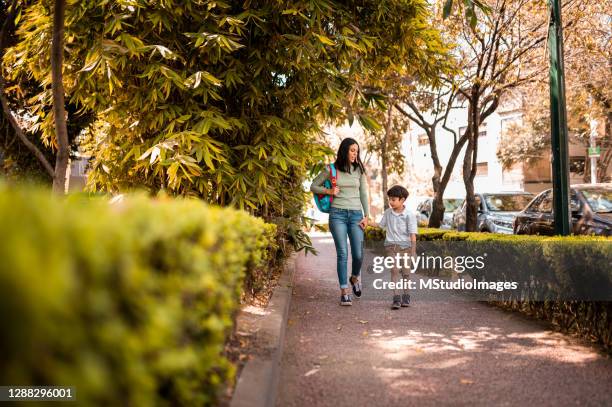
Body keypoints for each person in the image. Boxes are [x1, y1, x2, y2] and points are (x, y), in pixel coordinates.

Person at [310, 138, 369, 306]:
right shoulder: (331, 169)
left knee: (358, 254)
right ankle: (344, 291)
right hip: (337, 215)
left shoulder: (359, 170)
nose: (355, 154)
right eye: (352, 150)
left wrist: (367, 216)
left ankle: (354, 277)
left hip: (357, 215)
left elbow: (364, 194)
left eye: (357, 151)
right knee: (343, 252)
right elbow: (313, 186)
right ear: (344, 151)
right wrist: (329, 190)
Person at [370, 185, 418, 309]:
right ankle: (396, 298)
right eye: (389, 199)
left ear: (402, 200)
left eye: (393, 199)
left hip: (406, 248)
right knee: (394, 270)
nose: (391, 202)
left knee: (406, 273)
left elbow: (413, 235)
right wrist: (368, 222)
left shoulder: (409, 215)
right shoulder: (387, 213)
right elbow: (381, 225)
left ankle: (406, 296)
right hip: (391, 247)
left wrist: (413, 252)